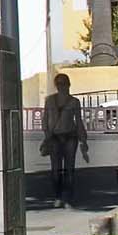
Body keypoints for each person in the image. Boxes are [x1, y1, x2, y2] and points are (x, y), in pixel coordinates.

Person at [42, 73, 87, 205]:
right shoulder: (49, 100)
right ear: (56, 85)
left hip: (70, 136)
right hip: (54, 137)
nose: (62, 86)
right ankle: (58, 196)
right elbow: (45, 119)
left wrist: (83, 140)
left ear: (69, 84)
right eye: (59, 84)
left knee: (69, 168)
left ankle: (68, 197)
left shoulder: (74, 102)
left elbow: (78, 121)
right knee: (55, 169)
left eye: (64, 83)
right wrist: (47, 135)